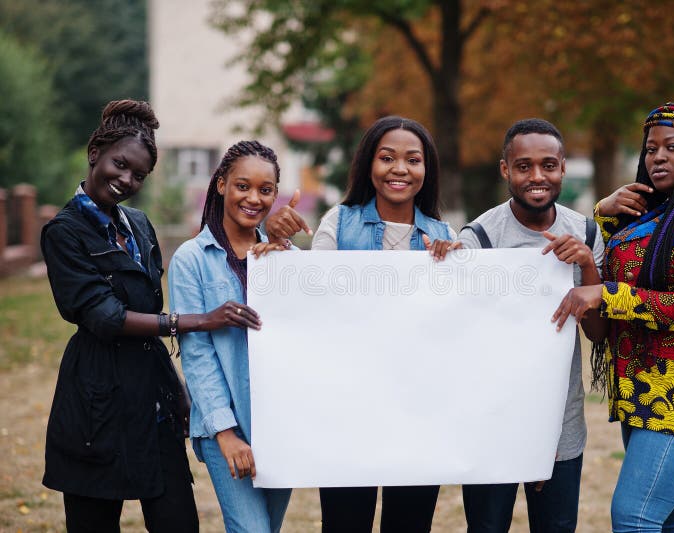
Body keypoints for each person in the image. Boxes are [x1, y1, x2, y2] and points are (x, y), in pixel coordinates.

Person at [41, 100, 262, 533]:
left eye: (138, 175)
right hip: (95, 401)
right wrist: (198, 320)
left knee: (179, 522)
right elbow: (104, 317)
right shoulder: (63, 232)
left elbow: (147, 309)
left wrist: (178, 387)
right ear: (95, 153)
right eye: (119, 165)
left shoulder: (138, 226)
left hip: (154, 398)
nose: (125, 179)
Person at [552, 101, 674, 532]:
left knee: (634, 518)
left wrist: (608, 295)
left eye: (672, 147)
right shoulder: (652, 212)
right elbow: (614, 267)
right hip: (643, 388)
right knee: (673, 525)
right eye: (650, 149)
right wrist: (603, 214)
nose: (657, 157)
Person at [265, 115, 456, 533]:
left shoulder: (445, 235)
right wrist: (275, 245)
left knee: (410, 522)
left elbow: (454, 329)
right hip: (348, 408)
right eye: (387, 158)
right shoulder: (339, 222)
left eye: (413, 160)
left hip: (417, 412)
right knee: (345, 522)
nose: (400, 169)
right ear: (370, 165)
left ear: (427, 170)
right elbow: (313, 301)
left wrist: (456, 268)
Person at [452, 118, 605, 533]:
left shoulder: (586, 233)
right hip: (493, 421)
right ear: (505, 170)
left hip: (560, 421)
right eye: (523, 166)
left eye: (548, 165)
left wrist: (588, 266)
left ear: (563, 168)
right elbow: (458, 332)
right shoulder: (480, 238)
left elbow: (597, 334)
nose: (537, 176)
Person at [168, 141, 292, 532]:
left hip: (280, 424)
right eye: (243, 186)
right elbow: (197, 353)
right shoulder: (192, 259)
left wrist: (286, 250)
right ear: (221, 185)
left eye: (266, 189)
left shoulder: (283, 258)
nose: (254, 198)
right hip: (227, 424)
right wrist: (226, 433)